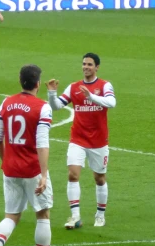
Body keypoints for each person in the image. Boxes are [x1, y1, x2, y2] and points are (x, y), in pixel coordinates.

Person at [0, 64, 56, 246]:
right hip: (32, 170)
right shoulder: (42, 107)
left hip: (11, 169)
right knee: (43, 214)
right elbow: (42, 144)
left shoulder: (6, 102)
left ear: (20, 81)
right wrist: (43, 175)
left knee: (12, 216)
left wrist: (5, 160)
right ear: (37, 83)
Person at [46, 53, 116, 228]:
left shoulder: (104, 85)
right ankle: (75, 216)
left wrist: (91, 96)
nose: (86, 67)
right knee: (73, 174)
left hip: (98, 141)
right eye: (84, 64)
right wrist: (52, 94)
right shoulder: (74, 87)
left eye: (90, 64)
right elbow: (56, 107)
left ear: (97, 67)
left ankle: (100, 214)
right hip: (77, 138)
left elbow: (111, 102)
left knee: (99, 178)